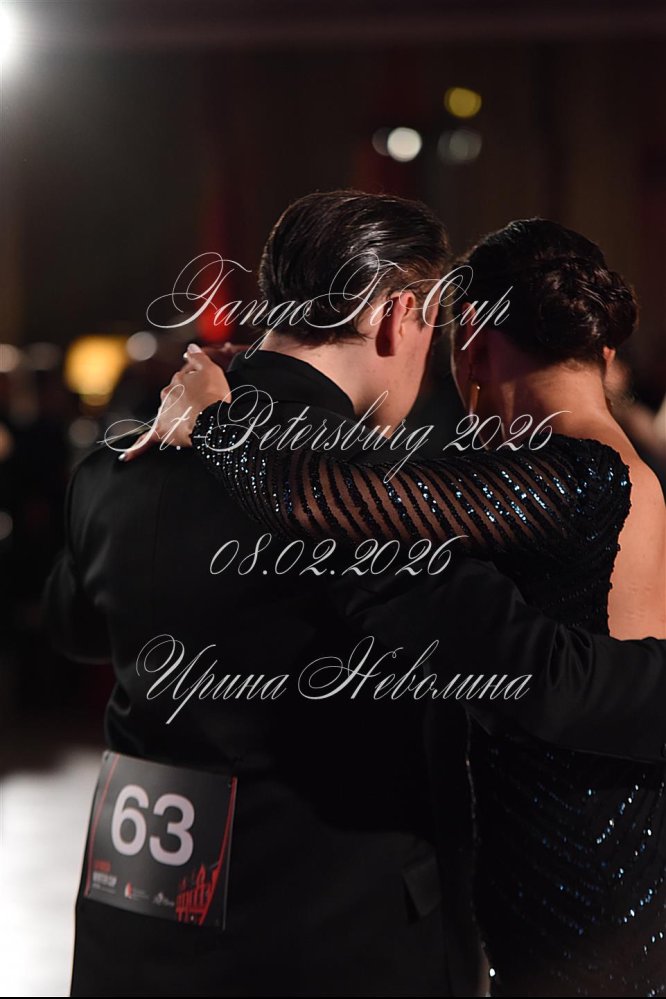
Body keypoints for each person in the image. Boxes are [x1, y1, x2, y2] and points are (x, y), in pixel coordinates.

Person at [50, 192, 666, 999]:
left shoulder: (117, 467)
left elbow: (76, 625)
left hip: (129, 939)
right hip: (335, 943)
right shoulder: (382, 496)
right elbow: (526, 665)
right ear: (397, 316)